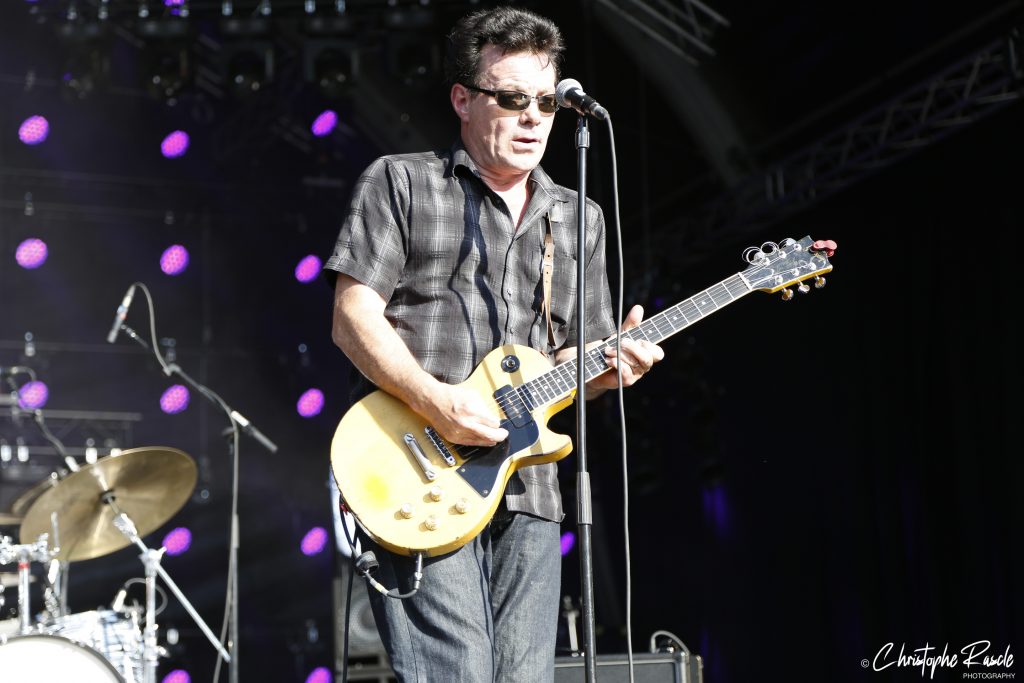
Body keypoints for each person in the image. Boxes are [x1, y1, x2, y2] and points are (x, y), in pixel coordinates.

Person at [324, 6, 664, 681]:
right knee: (456, 672)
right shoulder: (402, 182)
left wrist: (611, 366)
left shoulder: (579, 217)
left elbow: (569, 362)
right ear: (463, 99)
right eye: (512, 99)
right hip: (419, 470)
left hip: (531, 487)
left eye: (547, 102)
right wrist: (436, 400)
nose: (534, 117)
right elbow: (351, 316)